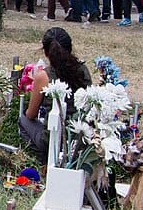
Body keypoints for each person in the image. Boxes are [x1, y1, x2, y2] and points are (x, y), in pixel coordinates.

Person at [18, 27, 93, 162]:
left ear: (46, 53)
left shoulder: (44, 76)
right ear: (70, 48)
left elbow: (31, 114)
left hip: (53, 139)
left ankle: (42, 159)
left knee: (23, 121)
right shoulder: (83, 70)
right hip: (82, 137)